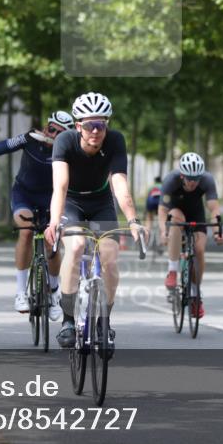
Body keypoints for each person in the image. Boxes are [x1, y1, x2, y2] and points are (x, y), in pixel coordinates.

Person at [44, 92, 144, 349]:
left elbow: (120, 185)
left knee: (109, 257)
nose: (96, 131)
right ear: (78, 126)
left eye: (102, 124)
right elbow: (60, 186)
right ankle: (68, 320)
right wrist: (54, 222)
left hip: (101, 203)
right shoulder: (65, 141)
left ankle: (104, 321)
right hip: (72, 202)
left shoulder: (115, 140)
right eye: (90, 125)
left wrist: (133, 220)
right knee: (76, 246)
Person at [0, 111, 75, 318]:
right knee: (26, 231)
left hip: (52, 199)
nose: (52, 134)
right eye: (51, 129)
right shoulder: (30, 140)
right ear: (46, 127)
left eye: (59, 133)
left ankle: (54, 291)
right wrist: (23, 138)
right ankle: (21, 292)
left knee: (51, 241)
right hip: (24, 195)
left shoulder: (68, 150)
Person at [159, 152, 223, 318]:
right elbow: (162, 210)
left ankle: (195, 294)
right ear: (182, 176)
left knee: (199, 250)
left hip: (196, 214)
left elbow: (214, 208)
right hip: (175, 211)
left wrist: (217, 231)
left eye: (196, 178)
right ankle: (172, 271)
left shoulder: (207, 179)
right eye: (189, 178)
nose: (193, 182)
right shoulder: (171, 180)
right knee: (176, 220)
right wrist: (163, 231)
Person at [144, 176, 162, 246]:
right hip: (160, 203)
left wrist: (146, 210)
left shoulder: (151, 187)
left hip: (151, 203)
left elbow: (147, 197)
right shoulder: (163, 186)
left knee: (149, 219)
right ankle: (160, 240)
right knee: (161, 219)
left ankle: (147, 237)